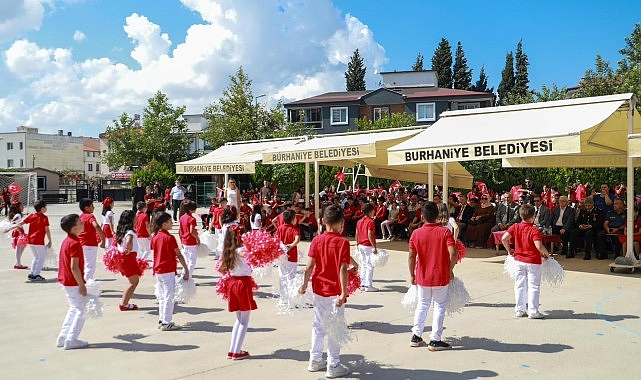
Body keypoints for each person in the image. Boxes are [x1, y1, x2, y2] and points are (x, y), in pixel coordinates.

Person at [299, 205, 355, 378]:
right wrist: (343, 293)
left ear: (323, 221)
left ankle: (315, 360)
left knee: (318, 325)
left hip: (319, 289)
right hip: (334, 292)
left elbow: (309, 266)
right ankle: (333, 363)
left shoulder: (317, 240)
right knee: (334, 328)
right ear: (341, 223)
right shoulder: (343, 242)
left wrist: (303, 285)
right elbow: (343, 269)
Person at [408, 201, 457, 351]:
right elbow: (453, 253)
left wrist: (412, 274)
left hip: (422, 275)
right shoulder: (444, 232)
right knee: (439, 306)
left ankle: (416, 335)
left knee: (422, 305)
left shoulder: (416, 233)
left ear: (422, 217)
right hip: (440, 275)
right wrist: (450, 269)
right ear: (437, 216)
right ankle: (435, 339)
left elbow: (411, 256)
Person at [501, 204, 550, 319]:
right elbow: (539, 246)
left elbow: (504, 239)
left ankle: (519, 309)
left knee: (519, 285)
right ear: (533, 217)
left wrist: (509, 250)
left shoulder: (515, 226)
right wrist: (547, 254)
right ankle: (533, 311)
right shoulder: (534, 230)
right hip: (533, 261)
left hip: (518, 260)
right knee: (534, 286)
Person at [218, 225, 257, 360]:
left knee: (239, 319)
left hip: (232, 283)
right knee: (244, 320)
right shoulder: (241, 250)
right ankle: (236, 352)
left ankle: (233, 349)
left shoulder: (228, 250)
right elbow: (253, 253)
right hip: (242, 284)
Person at [151, 212, 189, 331]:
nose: (172, 223)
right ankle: (166, 322)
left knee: (162, 296)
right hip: (167, 269)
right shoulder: (169, 238)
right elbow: (178, 254)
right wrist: (186, 269)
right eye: (170, 221)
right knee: (169, 296)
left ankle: (162, 319)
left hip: (158, 270)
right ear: (164, 224)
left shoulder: (155, 236)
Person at [56, 214, 89, 350]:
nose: (83, 223)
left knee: (73, 308)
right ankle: (72, 338)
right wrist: (82, 285)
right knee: (81, 310)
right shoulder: (74, 243)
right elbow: (74, 266)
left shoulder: (67, 241)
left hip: (66, 281)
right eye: (80, 222)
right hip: (73, 282)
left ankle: (63, 336)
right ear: (75, 228)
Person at [18, 200, 52, 281]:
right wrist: (50, 240)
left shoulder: (32, 215)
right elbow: (47, 230)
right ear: (42, 208)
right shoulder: (44, 217)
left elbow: (22, 222)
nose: (46, 208)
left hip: (31, 240)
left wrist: (14, 225)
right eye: (45, 207)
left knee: (36, 256)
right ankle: (36, 274)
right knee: (42, 257)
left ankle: (32, 273)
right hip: (38, 240)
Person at [115, 210, 142, 311]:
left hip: (126, 258)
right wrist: (129, 248)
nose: (136, 219)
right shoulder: (130, 232)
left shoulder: (121, 231)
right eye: (135, 218)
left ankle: (125, 303)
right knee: (133, 282)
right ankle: (124, 304)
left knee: (134, 281)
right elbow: (129, 240)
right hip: (129, 258)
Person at [276, 210, 300, 305]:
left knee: (282, 276)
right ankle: (291, 298)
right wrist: (291, 245)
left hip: (282, 256)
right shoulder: (295, 229)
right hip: (292, 256)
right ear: (293, 219)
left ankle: (283, 298)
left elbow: (276, 240)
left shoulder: (280, 228)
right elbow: (297, 240)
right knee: (291, 277)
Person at [78, 198, 106, 281]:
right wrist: (103, 240)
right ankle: (85, 286)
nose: (94, 207)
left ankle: (81, 283)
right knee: (90, 266)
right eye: (92, 206)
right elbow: (96, 226)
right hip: (90, 244)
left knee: (83, 265)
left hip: (81, 243)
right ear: (87, 208)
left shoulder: (80, 216)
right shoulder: (90, 216)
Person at [356, 203, 378, 292]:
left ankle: (362, 284)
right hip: (367, 245)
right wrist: (374, 246)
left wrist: (357, 243)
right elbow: (370, 234)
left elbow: (357, 233)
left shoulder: (359, 221)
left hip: (360, 244)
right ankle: (368, 285)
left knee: (363, 264)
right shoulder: (370, 222)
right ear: (370, 211)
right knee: (370, 265)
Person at [179, 200, 200, 278]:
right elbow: (192, 231)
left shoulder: (182, 217)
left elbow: (180, 231)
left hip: (184, 241)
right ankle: (188, 276)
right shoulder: (192, 219)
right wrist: (198, 239)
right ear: (191, 209)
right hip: (191, 242)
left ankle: (183, 275)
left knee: (186, 261)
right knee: (192, 261)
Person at [6, 202, 28, 269]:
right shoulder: (18, 215)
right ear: (18, 207)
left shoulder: (17, 215)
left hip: (19, 232)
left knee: (20, 248)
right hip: (18, 233)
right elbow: (12, 223)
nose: (23, 207)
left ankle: (17, 263)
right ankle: (18, 264)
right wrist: (16, 227)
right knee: (19, 248)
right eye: (22, 206)